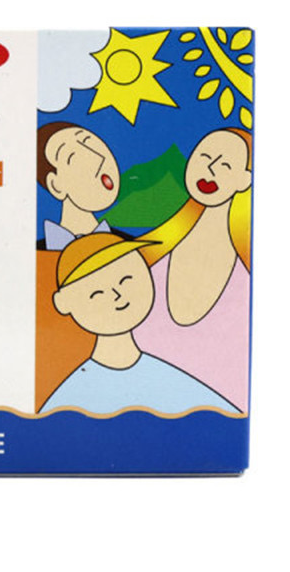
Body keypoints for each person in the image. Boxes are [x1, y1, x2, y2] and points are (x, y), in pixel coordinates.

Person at [40, 233, 239, 414]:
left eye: (127, 280)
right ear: (63, 303)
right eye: (97, 293)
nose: (117, 295)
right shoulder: (71, 394)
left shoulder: (171, 380)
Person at [135, 128, 252, 411]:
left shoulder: (246, 274)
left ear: (244, 180)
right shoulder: (152, 253)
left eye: (225, 165)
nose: (210, 169)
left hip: (213, 413)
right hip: (134, 400)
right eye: (204, 157)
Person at [37, 122, 125, 250]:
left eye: (88, 141)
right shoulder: (36, 254)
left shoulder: (132, 247)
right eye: (71, 156)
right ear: (56, 186)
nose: (98, 158)